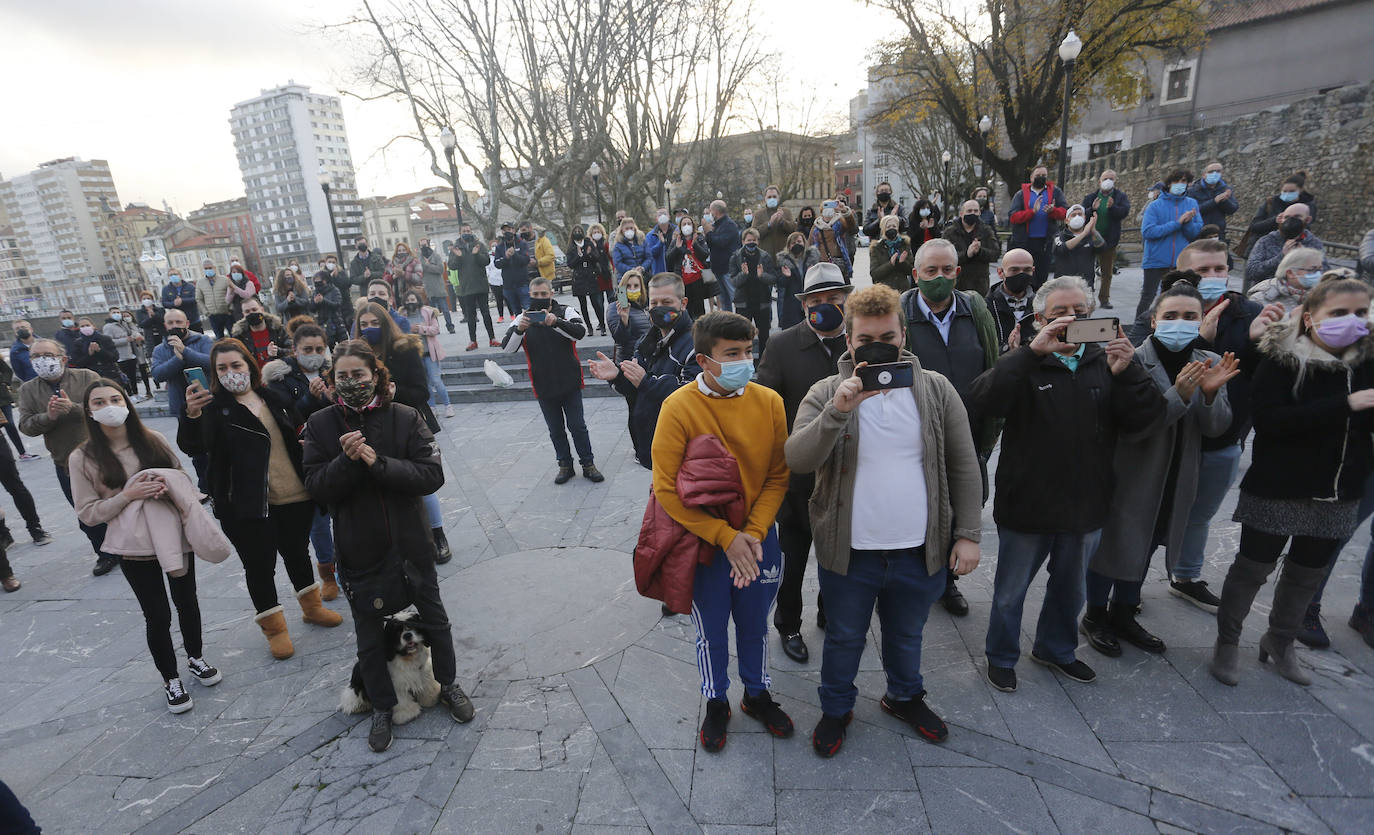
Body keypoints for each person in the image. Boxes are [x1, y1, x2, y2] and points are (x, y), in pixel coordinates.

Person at [785, 284, 981, 755]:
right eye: (866, 338)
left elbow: (963, 463)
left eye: (888, 336)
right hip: (850, 551)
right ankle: (836, 708)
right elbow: (797, 458)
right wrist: (838, 411)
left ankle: (904, 697)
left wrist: (968, 535)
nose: (878, 345)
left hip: (918, 548)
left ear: (902, 335)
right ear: (849, 341)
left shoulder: (935, 389)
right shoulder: (826, 391)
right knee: (844, 638)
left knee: (907, 635)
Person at [970, 276, 1166, 692]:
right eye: (1058, 313)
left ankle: (1056, 649)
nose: (1069, 320)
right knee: (1009, 593)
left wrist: (1129, 373)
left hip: (1086, 504)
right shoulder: (1027, 362)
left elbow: (1146, 420)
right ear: (1039, 318)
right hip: (1029, 503)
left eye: (1079, 312)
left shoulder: (1107, 362)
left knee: (1070, 589)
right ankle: (1002, 656)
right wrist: (1026, 355)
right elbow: (984, 401)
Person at [302, 339, 474, 752]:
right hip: (359, 549)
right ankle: (382, 704)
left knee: (435, 620)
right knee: (368, 634)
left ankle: (447, 684)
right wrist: (345, 460)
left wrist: (376, 462)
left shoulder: (405, 417)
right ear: (332, 380)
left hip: (411, 543)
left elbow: (430, 476)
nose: (351, 382)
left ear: (375, 375)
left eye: (358, 374)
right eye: (341, 376)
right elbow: (315, 488)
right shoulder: (321, 425)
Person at [1211, 277, 1374, 687]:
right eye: (1338, 313)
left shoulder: (1367, 362)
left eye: (1360, 313)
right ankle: (1227, 643)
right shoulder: (1282, 360)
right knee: (1252, 568)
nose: (1351, 322)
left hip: (1339, 489)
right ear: (1309, 318)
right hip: (1280, 484)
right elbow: (1269, 422)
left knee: (1308, 574)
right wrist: (1345, 405)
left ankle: (1280, 640)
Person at [651, 310, 793, 752]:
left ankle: (756, 693)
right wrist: (725, 537)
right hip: (704, 546)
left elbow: (777, 475)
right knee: (710, 628)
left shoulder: (769, 402)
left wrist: (750, 533)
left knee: (754, 624)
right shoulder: (678, 407)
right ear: (702, 360)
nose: (744, 362)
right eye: (732, 354)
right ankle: (716, 700)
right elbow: (667, 490)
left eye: (748, 351)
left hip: (757, 539)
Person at [1081, 284, 1238, 658]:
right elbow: (1134, 425)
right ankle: (1095, 615)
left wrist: (1211, 394)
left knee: (1149, 542)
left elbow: (1216, 428)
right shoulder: (1130, 360)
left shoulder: (1210, 361)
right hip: (1134, 472)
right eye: (1170, 316)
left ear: (1201, 322)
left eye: (1188, 317)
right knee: (1117, 544)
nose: (1179, 323)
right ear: (1154, 320)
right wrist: (1180, 395)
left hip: (1178, 473)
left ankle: (1124, 612)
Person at [180, 339, 344, 660]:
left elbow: (298, 428)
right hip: (246, 505)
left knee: (297, 553)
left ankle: (312, 608)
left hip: (294, 494)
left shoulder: (272, 396)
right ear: (213, 373)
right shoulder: (213, 408)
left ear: (249, 366)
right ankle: (276, 629)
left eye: (236, 365)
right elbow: (193, 446)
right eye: (222, 368)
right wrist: (191, 415)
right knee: (259, 566)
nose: (231, 373)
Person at [70, 378, 223, 712]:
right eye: (98, 402)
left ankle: (195, 657)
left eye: (115, 398)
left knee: (187, 600)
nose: (109, 406)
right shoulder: (82, 457)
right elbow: (87, 513)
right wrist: (128, 495)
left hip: (173, 532)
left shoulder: (152, 439)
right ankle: (171, 678)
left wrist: (166, 484)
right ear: (88, 411)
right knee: (156, 614)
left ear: (127, 402)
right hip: (133, 545)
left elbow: (181, 474)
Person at [1173, 239, 1284, 612]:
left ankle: (1186, 576)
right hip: (1173, 436)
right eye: (1203, 270)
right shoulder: (1168, 309)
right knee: (1150, 512)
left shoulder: (1250, 313)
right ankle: (1126, 589)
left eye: (1220, 268)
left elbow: (1267, 379)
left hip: (1224, 434)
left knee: (1201, 514)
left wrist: (1259, 344)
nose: (1213, 277)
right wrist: (1199, 339)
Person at [753, 263, 852, 663]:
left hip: (846, 476)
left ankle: (831, 612)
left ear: (846, 301)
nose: (824, 306)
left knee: (839, 556)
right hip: (798, 481)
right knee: (792, 562)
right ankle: (789, 624)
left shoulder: (858, 343)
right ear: (804, 304)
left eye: (833, 299)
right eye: (816, 300)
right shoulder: (782, 345)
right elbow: (763, 405)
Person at [899, 239, 1000, 613]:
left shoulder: (975, 310)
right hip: (918, 434)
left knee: (963, 505)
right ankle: (912, 578)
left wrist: (990, 434)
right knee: (920, 508)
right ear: (916, 275)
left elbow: (992, 365)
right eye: (930, 271)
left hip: (969, 431)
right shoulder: (902, 314)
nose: (939, 278)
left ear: (957, 272)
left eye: (946, 270)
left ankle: (947, 582)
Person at [18, 340, 112, 574]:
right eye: (36, 356)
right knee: (85, 513)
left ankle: (130, 544)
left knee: (116, 501)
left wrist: (75, 408)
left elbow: (108, 408)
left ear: (62, 357)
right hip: (66, 462)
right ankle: (105, 553)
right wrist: (47, 417)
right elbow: (26, 426)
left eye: (47, 354)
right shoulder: (28, 389)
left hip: (102, 454)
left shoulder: (86, 377)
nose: (42, 360)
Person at [590, 272, 700, 472]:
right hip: (654, 444)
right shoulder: (646, 343)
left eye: (666, 301)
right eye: (654, 302)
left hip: (685, 449)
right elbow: (636, 389)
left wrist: (646, 382)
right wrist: (617, 376)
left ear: (683, 303)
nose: (659, 308)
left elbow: (692, 395)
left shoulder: (696, 344)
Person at [262, 323, 339, 599]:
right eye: (307, 349)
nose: (314, 354)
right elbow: (284, 416)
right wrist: (309, 398)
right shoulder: (280, 378)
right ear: (294, 350)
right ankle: (327, 572)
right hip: (305, 458)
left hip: (338, 451)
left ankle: (349, 565)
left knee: (344, 514)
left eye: (319, 349)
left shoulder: (334, 370)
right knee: (319, 521)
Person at [503, 277, 604, 484]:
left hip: (569, 381)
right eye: (535, 294)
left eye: (543, 293)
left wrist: (555, 322)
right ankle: (565, 465)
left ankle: (588, 463)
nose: (539, 297)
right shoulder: (522, 318)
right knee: (555, 429)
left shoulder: (566, 311)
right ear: (530, 295)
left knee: (578, 426)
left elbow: (580, 333)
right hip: (543, 383)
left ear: (551, 293)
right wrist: (520, 329)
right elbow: (507, 348)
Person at [1136, 168, 1203, 340]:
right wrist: (1177, 223)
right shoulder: (1155, 205)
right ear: (1169, 184)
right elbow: (1149, 232)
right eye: (1177, 181)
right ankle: (1139, 329)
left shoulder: (1192, 204)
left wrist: (1187, 223)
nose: (1180, 185)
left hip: (1180, 261)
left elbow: (1196, 232)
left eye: (1184, 181)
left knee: (1178, 296)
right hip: (1156, 259)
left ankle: (1172, 328)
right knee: (1148, 295)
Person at [150, 308, 214, 488]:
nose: (175, 326)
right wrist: (177, 359)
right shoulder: (159, 349)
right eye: (170, 323)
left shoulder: (202, 340)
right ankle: (205, 486)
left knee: (216, 443)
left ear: (186, 323)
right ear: (165, 325)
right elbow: (158, 374)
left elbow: (211, 361)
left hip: (208, 401)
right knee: (196, 450)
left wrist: (185, 352)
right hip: (183, 407)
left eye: (178, 322)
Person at [1007, 165, 1069, 288]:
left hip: (1046, 241)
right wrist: (1032, 212)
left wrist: (1053, 211)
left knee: (1042, 274)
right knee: (1026, 273)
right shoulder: (1021, 194)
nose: (1041, 178)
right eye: (1038, 176)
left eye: (1043, 176)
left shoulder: (1055, 192)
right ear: (1031, 178)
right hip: (1025, 241)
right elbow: (1013, 217)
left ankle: (1038, 299)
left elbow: (1065, 213)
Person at [1243, 203, 1327, 291]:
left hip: (1304, 296)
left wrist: (1306, 258)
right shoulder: (1266, 241)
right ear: (1281, 219)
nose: (1291, 220)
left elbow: (1325, 273)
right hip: (1268, 294)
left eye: (1297, 217)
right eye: (1287, 217)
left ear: (1308, 219)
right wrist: (1281, 257)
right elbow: (1251, 272)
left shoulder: (1314, 243)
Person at [402, 287, 454, 419]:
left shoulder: (427, 312)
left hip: (429, 353)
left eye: (412, 299)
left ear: (417, 300)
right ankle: (432, 407)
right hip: (414, 355)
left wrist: (421, 329)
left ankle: (448, 405)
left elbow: (436, 329)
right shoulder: (402, 316)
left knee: (436, 380)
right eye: (408, 300)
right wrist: (409, 331)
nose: (410, 302)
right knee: (424, 383)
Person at [1081, 171, 1131, 309]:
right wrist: (1092, 209)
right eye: (1105, 178)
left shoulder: (1119, 197)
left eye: (1111, 179)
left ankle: (1104, 299)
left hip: (1109, 241)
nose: (1108, 181)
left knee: (1107, 272)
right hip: (1090, 238)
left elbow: (1124, 212)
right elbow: (1082, 213)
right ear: (1099, 181)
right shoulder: (1091, 197)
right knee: (1087, 271)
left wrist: (1112, 207)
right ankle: (1087, 298)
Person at [727, 227, 778, 356]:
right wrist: (743, 274)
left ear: (758, 241)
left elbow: (773, 278)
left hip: (762, 302)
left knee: (764, 336)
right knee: (742, 335)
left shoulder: (765, 256)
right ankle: (744, 360)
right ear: (743, 241)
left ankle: (764, 361)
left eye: (754, 240)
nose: (751, 243)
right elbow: (733, 282)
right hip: (743, 303)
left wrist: (762, 276)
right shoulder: (736, 257)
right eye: (749, 240)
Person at [449, 229, 498, 350]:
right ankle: (473, 341)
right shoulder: (456, 248)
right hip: (466, 287)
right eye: (464, 231)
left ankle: (492, 339)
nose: (467, 232)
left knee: (486, 313)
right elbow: (452, 266)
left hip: (481, 285)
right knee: (470, 316)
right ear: (460, 233)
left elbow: (486, 261)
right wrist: (459, 257)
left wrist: (476, 254)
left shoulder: (479, 245)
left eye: (468, 230)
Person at [943, 199, 1002, 296]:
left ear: (979, 212)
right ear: (961, 213)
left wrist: (980, 251)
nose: (973, 213)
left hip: (980, 284)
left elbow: (995, 254)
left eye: (975, 211)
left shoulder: (986, 230)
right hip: (957, 283)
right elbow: (945, 257)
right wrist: (967, 254)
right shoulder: (950, 232)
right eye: (969, 211)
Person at [985, 249, 1039, 355]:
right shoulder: (986, 306)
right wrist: (1007, 348)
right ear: (1000, 272)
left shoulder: (1041, 305)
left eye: (1027, 270)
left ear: (1033, 271)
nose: (1021, 275)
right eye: (1014, 270)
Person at [1244, 171, 1317, 246]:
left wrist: (1293, 220)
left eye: (1292, 191)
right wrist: (1275, 220)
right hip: (1265, 247)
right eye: (1285, 191)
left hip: (1293, 247)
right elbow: (1254, 226)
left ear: (1301, 190)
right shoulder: (1271, 202)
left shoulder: (1308, 206)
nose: (1287, 194)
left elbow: (1306, 229)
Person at [1247, 247, 1327, 314]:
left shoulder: (1321, 296)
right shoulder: (1260, 299)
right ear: (1290, 273)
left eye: (1320, 269)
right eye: (1312, 269)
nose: (1318, 274)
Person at [667, 215, 713, 319]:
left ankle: (701, 329)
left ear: (693, 226)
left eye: (689, 224)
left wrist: (695, 244)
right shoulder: (676, 240)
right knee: (687, 307)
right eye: (684, 224)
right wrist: (677, 248)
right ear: (680, 227)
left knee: (699, 308)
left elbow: (705, 254)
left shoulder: (699, 238)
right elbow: (668, 258)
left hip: (698, 279)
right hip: (683, 280)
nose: (687, 226)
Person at [569, 224, 610, 334]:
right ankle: (589, 327)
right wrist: (580, 256)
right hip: (579, 278)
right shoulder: (572, 246)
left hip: (591, 276)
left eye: (579, 230)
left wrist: (588, 254)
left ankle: (602, 325)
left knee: (596, 303)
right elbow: (570, 263)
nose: (577, 232)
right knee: (583, 305)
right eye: (575, 230)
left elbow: (596, 257)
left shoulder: (588, 242)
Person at [1187, 162, 1239, 246]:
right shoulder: (1193, 190)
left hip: (1218, 234)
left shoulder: (1225, 189)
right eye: (1211, 171)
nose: (1215, 174)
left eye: (1218, 171)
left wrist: (1224, 200)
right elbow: (1193, 211)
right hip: (1199, 234)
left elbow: (1233, 209)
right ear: (1204, 175)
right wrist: (1214, 201)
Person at [1054, 205, 1105, 288]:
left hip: (1086, 285)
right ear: (1067, 220)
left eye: (1080, 214)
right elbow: (1062, 248)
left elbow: (1102, 248)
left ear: (1084, 218)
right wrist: (1083, 234)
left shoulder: (1090, 236)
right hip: (1064, 286)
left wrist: (1093, 231)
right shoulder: (1059, 236)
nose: (1077, 217)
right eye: (1073, 215)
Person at [774, 232, 818, 330]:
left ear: (804, 243)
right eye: (793, 243)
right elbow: (780, 284)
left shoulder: (812, 259)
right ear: (789, 246)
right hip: (791, 303)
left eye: (799, 241)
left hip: (810, 301)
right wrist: (786, 276)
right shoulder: (783, 261)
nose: (796, 244)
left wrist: (813, 272)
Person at [230, 297, 291, 365]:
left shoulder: (278, 329)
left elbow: (292, 350)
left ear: (262, 309)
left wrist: (278, 351)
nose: (251, 313)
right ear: (243, 314)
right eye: (247, 311)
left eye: (254, 309)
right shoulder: (239, 337)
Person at [606, 267, 651, 359]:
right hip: (627, 361)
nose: (632, 289)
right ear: (622, 288)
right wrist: (624, 320)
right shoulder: (614, 307)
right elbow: (619, 340)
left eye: (636, 286)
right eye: (628, 286)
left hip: (644, 360)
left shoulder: (643, 307)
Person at [706, 200, 742, 311]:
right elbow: (711, 244)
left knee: (735, 297)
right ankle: (728, 323)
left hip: (728, 268)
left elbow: (720, 242)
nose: (709, 213)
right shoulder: (716, 225)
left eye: (710, 210)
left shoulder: (729, 225)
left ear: (716, 211)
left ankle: (741, 322)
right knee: (723, 299)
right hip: (718, 268)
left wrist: (709, 233)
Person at [0, 353, 38, 460]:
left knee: (10, 424)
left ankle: (22, 452)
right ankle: (5, 457)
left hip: (2, 397)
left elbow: (7, 370)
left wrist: (4, 383)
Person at [102, 307, 142, 401]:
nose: (117, 314)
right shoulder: (108, 327)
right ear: (110, 314)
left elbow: (133, 331)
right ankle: (130, 395)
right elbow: (109, 341)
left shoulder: (124, 323)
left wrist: (131, 326)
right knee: (125, 377)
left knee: (133, 376)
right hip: (120, 356)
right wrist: (125, 340)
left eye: (118, 312)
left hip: (130, 353)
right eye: (114, 312)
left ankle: (136, 393)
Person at [494, 222, 534, 315]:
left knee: (529, 309)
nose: (507, 232)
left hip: (522, 283)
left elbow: (526, 260)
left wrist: (514, 255)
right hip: (508, 286)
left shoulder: (522, 243)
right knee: (517, 312)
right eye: (504, 230)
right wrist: (506, 257)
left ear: (514, 230)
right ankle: (519, 328)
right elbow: (497, 263)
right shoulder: (499, 247)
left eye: (509, 229)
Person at [809, 200, 853, 281]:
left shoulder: (840, 222)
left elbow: (852, 228)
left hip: (838, 264)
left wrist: (844, 210)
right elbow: (810, 246)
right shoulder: (816, 226)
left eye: (830, 208)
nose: (828, 210)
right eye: (826, 207)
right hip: (822, 266)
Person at [415, 237, 453, 334]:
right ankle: (436, 328)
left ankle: (450, 326)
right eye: (421, 245)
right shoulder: (419, 258)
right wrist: (430, 267)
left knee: (445, 309)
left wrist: (427, 266)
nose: (423, 247)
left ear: (428, 244)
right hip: (428, 289)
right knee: (432, 312)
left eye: (425, 244)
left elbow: (440, 270)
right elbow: (419, 270)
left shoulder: (436, 256)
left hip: (439, 287)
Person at [869, 215, 913, 293]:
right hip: (884, 292)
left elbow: (911, 270)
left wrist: (902, 263)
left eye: (894, 226)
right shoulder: (876, 247)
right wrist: (890, 264)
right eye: (888, 226)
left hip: (902, 290)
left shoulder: (904, 244)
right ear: (883, 229)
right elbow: (874, 274)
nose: (891, 228)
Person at [72, 316, 123, 383]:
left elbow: (115, 357)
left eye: (87, 325)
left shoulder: (105, 339)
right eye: (82, 326)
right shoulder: (78, 343)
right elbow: (78, 363)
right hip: (91, 376)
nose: (85, 328)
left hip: (110, 374)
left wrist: (100, 351)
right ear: (79, 328)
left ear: (93, 326)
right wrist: (89, 354)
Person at [750, 185, 796, 260]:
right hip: (766, 256)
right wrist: (769, 224)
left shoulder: (786, 212)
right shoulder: (759, 214)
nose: (772, 199)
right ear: (765, 198)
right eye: (769, 197)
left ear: (778, 198)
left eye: (774, 196)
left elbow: (793, 229)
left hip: (784, 255)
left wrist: (782, 222)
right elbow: (754, 233)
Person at [308, 263, 348, 345]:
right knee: (330, 346)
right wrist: (315, 303)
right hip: (324, 323)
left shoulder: (334, 290)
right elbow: (312, 309)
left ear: (325, 280)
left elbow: (337, 304)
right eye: (315, 280)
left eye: (319, 280)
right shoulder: (315, 292)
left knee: (344, 346)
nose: (317, 282)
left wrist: (324, 300)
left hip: (337, 321)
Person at [195, 259, 232, 338]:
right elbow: (198, 299)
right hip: (213, 315)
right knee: (219, 339)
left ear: (214, 268)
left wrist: (230, 309)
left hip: (227, 313)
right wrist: (206, 312)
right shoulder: (200, 283)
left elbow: (231, 293)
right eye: (206, 268)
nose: (208, 270)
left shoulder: (224, 279)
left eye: (210, 268)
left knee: (234, 336)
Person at [349, 236, 389, 310]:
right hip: (365, 293)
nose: (362, 245)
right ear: (356, 246)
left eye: (364, 243)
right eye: (360, 244)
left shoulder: (376, 257)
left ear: (367, 244)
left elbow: (382, 272)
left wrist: (371, 274)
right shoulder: (354, 263)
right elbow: (353, 279)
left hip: (379, 289)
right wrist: (364, 276)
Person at [613, 217, 650, 292]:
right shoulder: (617, 245)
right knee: (622, 302)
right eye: (626, 228)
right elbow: (618, 263)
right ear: (622, 230)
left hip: (642, 277)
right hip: (623, 279)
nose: (629, 230)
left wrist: (642, 267)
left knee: (644, 301)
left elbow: (649, 257)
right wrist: (632, 270)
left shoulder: (642, 241)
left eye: (631, 228)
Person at [644, 208, 675, 275]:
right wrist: (660, 243)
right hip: (659, 272)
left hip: (675, 271)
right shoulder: (651, 235)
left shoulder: (676, 231)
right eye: (660, 215)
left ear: (669, 217)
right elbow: (650, 254)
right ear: (656, 219)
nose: (662, 216)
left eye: (664, 214)